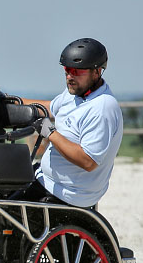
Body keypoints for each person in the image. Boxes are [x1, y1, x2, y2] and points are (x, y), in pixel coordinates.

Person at [15, 38, 123, 208]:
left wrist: (50, 132)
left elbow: (88, 161)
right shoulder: (75, 93)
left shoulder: (102, 107)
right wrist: (9, 101)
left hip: (67, 193)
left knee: (0, 213)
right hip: (46, 178)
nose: (70, 76)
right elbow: (49, 108)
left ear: (97, 72)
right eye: (67, 70)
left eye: (77, 71)